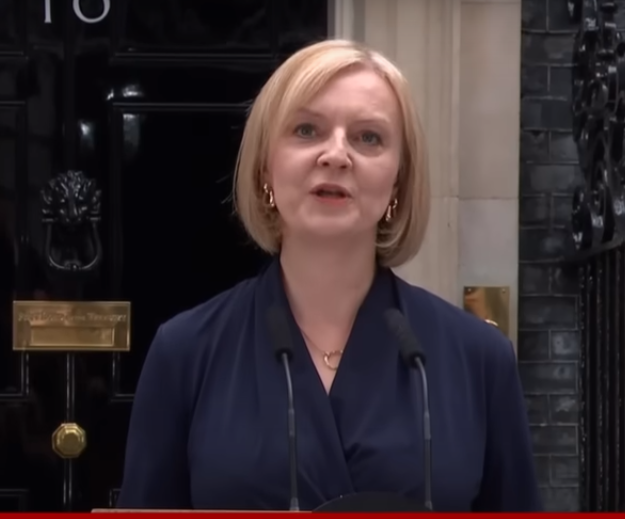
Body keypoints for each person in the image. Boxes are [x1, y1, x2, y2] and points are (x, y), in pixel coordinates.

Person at [116, 39, 542, 512]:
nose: (336, 155)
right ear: (265, 169)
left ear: (398, 181)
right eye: (306, 130)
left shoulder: (479, 359)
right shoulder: (186, 352)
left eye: (368, 137)